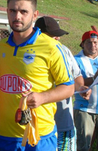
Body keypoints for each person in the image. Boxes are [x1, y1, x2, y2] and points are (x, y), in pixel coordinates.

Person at [0, 0, 74, 151]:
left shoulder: (51, 47)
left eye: (23, 11)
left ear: (34, 15)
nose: (17, 16)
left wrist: (42, 97)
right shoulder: (2, 47)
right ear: (7, 11)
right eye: (12, 11)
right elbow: (5, 87)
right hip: (5, 136)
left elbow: (68, 88)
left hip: (38, 137)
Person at [35, 16, 90, 151]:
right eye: (54, 35)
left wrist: (81, 87)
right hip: (38, 126)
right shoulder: (28, 51)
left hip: (63, 123)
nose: (58, 38)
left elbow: (76, 75)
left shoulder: (63, 50)